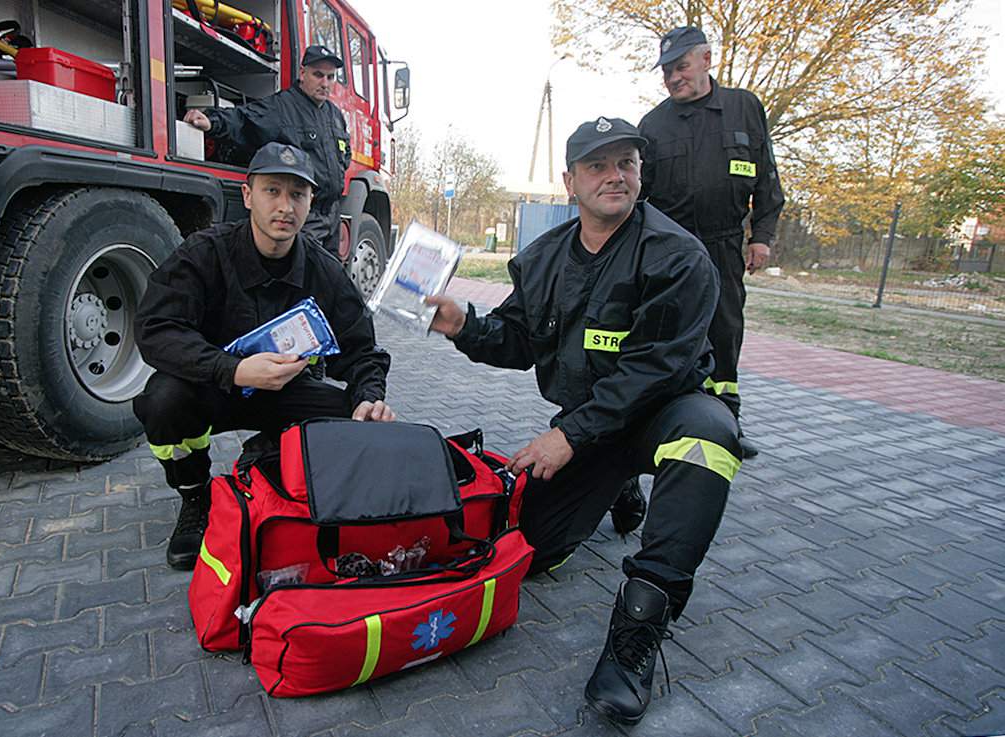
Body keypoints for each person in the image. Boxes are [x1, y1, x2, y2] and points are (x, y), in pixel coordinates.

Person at [426, 117, 741, 726]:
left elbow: (654, 370)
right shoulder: (543, 258)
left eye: (626, 162)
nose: (615, 175)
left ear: (640, 174)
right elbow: (518, 339)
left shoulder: (677, 255)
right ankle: (617, 484)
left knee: (709, 438)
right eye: (598, 166)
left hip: (664, 412)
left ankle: (638, 631)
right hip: (591, 427)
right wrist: (464, 324)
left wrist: (567, 436)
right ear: (571, 182)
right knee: (535, 552)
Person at [133, 142, 393, 570]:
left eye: (297, 194)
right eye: (272, 191)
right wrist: (231, 369)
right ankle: (195, 497)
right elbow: (156, 330)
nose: (285, 206)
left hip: (286, 393)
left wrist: (369, 394)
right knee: (162, 400)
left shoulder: (323, 269)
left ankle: (272, 460)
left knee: (354, 417)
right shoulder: (205, 253)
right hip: (215, 386)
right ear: (248, 195)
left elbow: (362, 348)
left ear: (311, 203)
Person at [637, 26, 785, 460]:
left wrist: (762, 237)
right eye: (666, 72)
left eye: (681, 66)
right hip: (671, 250)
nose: (673, 78)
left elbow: (768, 179)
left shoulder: (744, 108)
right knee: (668, 334)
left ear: (705, 59)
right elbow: (639, 197)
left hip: (723, 247)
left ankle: (727, 425)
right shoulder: (653, 124)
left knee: (724, 333)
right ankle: (665, 421)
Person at [183, 45, 351, 257]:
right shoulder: (281, 107)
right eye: (318, 75)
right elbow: (244, 119)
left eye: (330, 77)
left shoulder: (335, 115)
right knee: (300, 276)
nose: (325, 83)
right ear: (302, 73)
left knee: (329, 278)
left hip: (332, 216)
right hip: (304, 216)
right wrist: (211, 121)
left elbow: (344, 154)